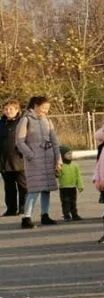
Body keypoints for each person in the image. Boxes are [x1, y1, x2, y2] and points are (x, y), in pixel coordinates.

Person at [15, 96, 61, 229]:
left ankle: (45, 215)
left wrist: (58, 158)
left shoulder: (47, 120)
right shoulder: (25, 120)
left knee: (47, 189)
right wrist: (31, 155)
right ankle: (26, 217)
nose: (46, 111)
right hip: (34, 161)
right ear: (35, 105)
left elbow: (55, 141)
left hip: (48, 159)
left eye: (48, 109)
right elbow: (19, 141)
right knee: (34, 189)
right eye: (44, 108)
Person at [1, 98, 26, 216]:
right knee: (9, 188)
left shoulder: (23, 122)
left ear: (17, 110)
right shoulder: (1, 124)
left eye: (11, 109)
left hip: (20, 160)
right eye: (6, 109)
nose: (8, 111)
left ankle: (23, 208)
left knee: (23, 186)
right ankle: (11, 209)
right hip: (4, 161)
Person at [56, 146, 82, 221]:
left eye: (71, 154)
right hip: (64, 188)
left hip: (73, 187)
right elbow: (58, 175)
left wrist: (80, 185)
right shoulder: (61, 166)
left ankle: (74, 214)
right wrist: (57, 171)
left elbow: (78, 176)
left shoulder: (75, 165)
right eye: (68, 154)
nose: (70, 155)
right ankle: (66, 214)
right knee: (65, 202)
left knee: (73, 201)